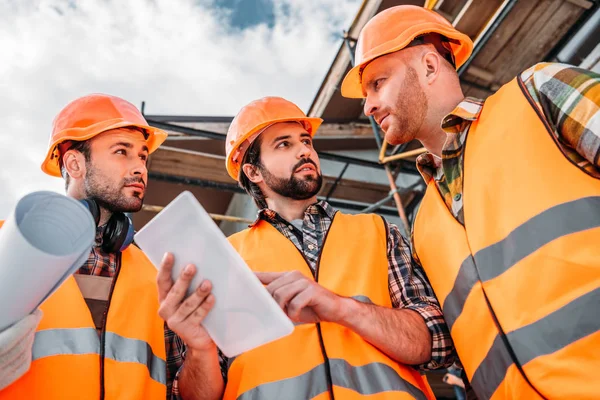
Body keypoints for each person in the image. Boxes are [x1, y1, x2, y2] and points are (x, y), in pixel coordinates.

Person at [340, 5, 600, 399]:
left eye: (378, 82)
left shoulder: (539, 93)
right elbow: (449, 347)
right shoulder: (423, 222)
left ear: (429, 66)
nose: (368, 106)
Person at [158, 96, 455, 400]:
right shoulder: (226, 259)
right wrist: (199, 349)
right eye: (284, 145)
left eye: (306, 141)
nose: (305, 150)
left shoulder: (377, 232)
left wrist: (341, 308)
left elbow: (439, 341)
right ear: (253, 172)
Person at [0, 94, 184, 399]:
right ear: (75, 162)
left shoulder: (156, 274)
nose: (140, 168)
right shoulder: (5, 246)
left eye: (142, 156)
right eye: (122, 151)